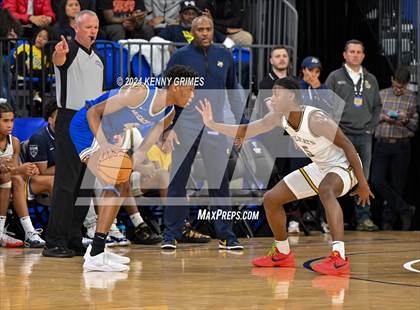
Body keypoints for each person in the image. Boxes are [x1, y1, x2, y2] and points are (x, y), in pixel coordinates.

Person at [196, 77, 374, 275]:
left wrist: (363, 182)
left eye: (276, 94)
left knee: (325, 190)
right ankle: (282, 252)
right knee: (271, 199)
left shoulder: (315, 119)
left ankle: (339, 257)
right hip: (321, 166)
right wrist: (212, 124)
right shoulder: (278, 116)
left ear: (291, 97)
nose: (271, 98)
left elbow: (348, 145)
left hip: (345, 166)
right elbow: (247, 130)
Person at [69, 65, 197, 272]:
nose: (192, 95)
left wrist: (135, 163)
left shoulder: (170, 113)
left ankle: (97, 250)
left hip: (111, 135)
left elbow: (144, 147)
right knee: (113, 182)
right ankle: (95, 253)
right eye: (190, 89)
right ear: (174, 86)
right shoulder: (140, 93)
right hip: (87, 126)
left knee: (122, 185)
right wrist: (104, 145)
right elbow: (93, 112)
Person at [162, 15, 244, 250]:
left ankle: (227, 236)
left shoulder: (224, 56)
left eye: (209, 29)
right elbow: (168, 93)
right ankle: (171, 234)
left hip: (215, 127)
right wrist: (168, 127)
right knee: (178, 181)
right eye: (200, 29)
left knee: (219, 183)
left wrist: (240, 126)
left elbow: (233, 92)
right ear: (192, 31)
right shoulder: (180, 56)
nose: (205, 33)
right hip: (184, 127)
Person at [42, 10, 103, 258]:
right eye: (88, 27)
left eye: (96, 27)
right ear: (76, 28)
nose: (93, 31)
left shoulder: (98, 60)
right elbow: (58, 59)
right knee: (66, 183)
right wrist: (58, 53)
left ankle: (73, 237)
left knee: (84, 185)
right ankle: (54, 241)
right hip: (70, 119)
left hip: (91, 122)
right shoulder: (68, 51)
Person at [325, 39, 381, 232]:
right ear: (345, 55)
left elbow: (377, 107)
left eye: (359, 52)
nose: (355, 55)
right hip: (341, 135)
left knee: (363, 177)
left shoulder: (371, 79)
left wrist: (370, 128)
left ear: (363, 56)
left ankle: (363, 218)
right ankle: (329, 218)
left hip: (364, 136)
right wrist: (334, 129)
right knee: (333, 174)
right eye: (352, 52)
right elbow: (326, 105)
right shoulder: (334, 77)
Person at [371, 67, 418, 230]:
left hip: (402, 144)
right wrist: (382, 117)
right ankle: (405, 209)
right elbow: (370, 118)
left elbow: (415, 126)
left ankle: (388, 221)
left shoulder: (412, 98)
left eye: (402, 87)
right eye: (397, 85)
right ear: (392, 80)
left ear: (407, 85)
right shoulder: (381, 95)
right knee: (377, 179)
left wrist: (405, 120)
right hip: (382, 143)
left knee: (397, 184)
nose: (399, 89)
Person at [0, 102, 46, 248]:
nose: (10, 125)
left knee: (17, 179)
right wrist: (19, 169)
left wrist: (29, 170)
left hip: (8, 184)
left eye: (12, 121)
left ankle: (30, 233)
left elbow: (13, 169)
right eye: (5, 121)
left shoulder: (14, 142)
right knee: (9, 176)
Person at [14, 27, 51, 115]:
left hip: (37, 73)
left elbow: (48, 69)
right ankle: (20, 76)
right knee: (22, 54)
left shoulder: (46, 54)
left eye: (44, 38)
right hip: (25, 70)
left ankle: (38, 96)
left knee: (45, 71)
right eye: (39, 36)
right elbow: (17, 57)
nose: (40, 39)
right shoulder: (26, 46)